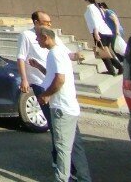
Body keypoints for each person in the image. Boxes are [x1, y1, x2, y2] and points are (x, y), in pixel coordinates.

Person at [36, 27, 92, 182]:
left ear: (45, 37)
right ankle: (82, 177)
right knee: (70, 145)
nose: (36, 40)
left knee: (62, 148)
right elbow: (53, 75)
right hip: (68, 107)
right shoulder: (59, 52)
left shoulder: (55, 53)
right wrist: (38, 66)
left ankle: (62, 179)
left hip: (61, 108)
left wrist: (46, 95)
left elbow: (60, 79)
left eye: (38, 37)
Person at [83, 0, 122, 75]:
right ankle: (116, 68)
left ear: (86, 0)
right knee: (106, 51)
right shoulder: (98, 7)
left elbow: (94, 20)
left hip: (100, 32)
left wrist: (96, 33)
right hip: (106, 31)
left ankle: (114, 69)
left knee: (103, 53)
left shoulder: (90, 8)